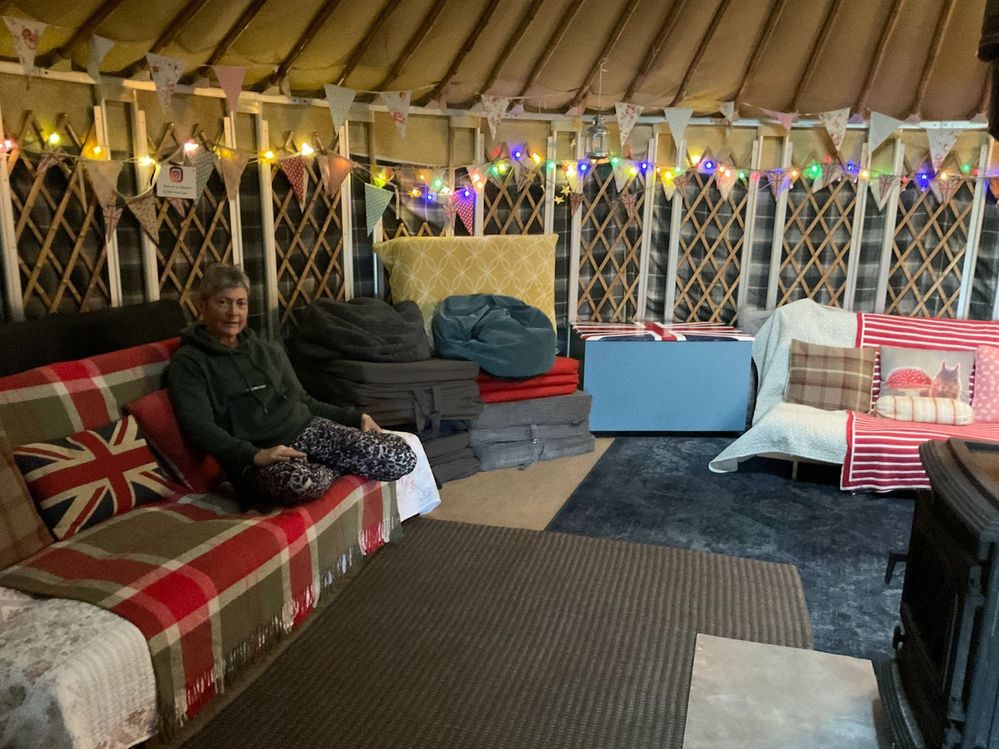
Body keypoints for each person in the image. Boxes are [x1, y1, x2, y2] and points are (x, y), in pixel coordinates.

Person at [167, 263, 416, 506]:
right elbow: (199, 426)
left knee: (400, 456)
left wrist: (355, 417)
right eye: (223, 302)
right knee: (303, 481)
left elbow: (303, 400)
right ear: (203, 306)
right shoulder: (190, 362)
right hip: (261, 454)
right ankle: (329, 466)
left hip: (307, 429)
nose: (234, 313)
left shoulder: (267, 350)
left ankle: (327, 464)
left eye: (240, 303)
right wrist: (252, 455)